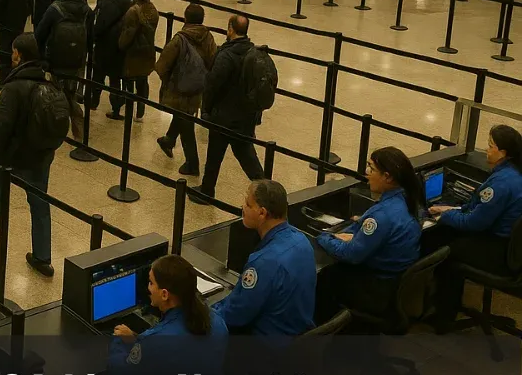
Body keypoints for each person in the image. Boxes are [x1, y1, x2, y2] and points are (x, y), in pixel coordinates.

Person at [0, 34, 59, 276]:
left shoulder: (13, 88)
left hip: (13, 157)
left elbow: (2, 126)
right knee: (39, 202)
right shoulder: (48, 84)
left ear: (20, 55)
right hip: (40, 156)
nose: (11, 54)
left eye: (14, 51)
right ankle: (42, 255)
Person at [425, 124, 522, 330]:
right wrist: (454, 208)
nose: (486, 150)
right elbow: (478, 209)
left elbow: (474, 223)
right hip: (512, 248)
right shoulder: (514, 174)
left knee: (447, 251)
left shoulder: (501, 184)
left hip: (499, 250)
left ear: (503, 153)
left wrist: (446, 216)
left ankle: (443, 316)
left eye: (490, 146)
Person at [314, 147, 422, 323]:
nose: (366, 173)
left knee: (325, 276)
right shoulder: (410, 199)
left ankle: (324, 332)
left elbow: (351, 255)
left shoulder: (381, 215)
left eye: (371, 169)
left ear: (387, 176)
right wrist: (361, 230)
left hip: (376, 289)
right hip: (396, 283)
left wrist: (325, 237)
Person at [213, 180, 316, 337]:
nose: (243, 208)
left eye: (248, 204)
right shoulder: (302, 240)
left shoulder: (263, 262)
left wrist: (204, 312)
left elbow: (236, 315)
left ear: (262, 213)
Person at [108, 254, 228, 375]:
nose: (148, 288)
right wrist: (137, 340)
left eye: (151, 283)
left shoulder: (154, 341)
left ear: (164, 294)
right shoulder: (217, 321)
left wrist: (118, 342)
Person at [194, 15, 267, 203]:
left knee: (215, 155)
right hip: (245, 116)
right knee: (247, 156)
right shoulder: (253, 52)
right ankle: (267, 191)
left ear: (231, 29)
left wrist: (206, 110)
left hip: (224, 117)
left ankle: (207, 191)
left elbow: (212, 84)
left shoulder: (227, 55)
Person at [154, 2, 217, 177]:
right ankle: (169, 140)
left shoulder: (179, 39)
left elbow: (162, 66)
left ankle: (192, 164)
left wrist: (168, 80)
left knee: (186, 125)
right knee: (185, 115)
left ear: (185, 18)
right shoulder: (208, 37)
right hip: (197, 88)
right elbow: (213, 62)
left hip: (178, 88)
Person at [34, 0, 91, 140]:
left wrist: (42, 56)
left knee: (54, 92)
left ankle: (53, 126)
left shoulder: (55, 9)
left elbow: (40, 33)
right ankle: (79, 133)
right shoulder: (87, 11)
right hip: (77, 60)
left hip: (56, 59)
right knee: (71, 93)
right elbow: (91, 37)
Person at [91, 0, 132, 118]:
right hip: (120, 45)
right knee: (115, 78)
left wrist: (94, 35)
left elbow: (100, 21)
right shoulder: (128, 0)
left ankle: (93, 102)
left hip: (104, 43)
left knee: (98, 74)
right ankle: (116, 109)